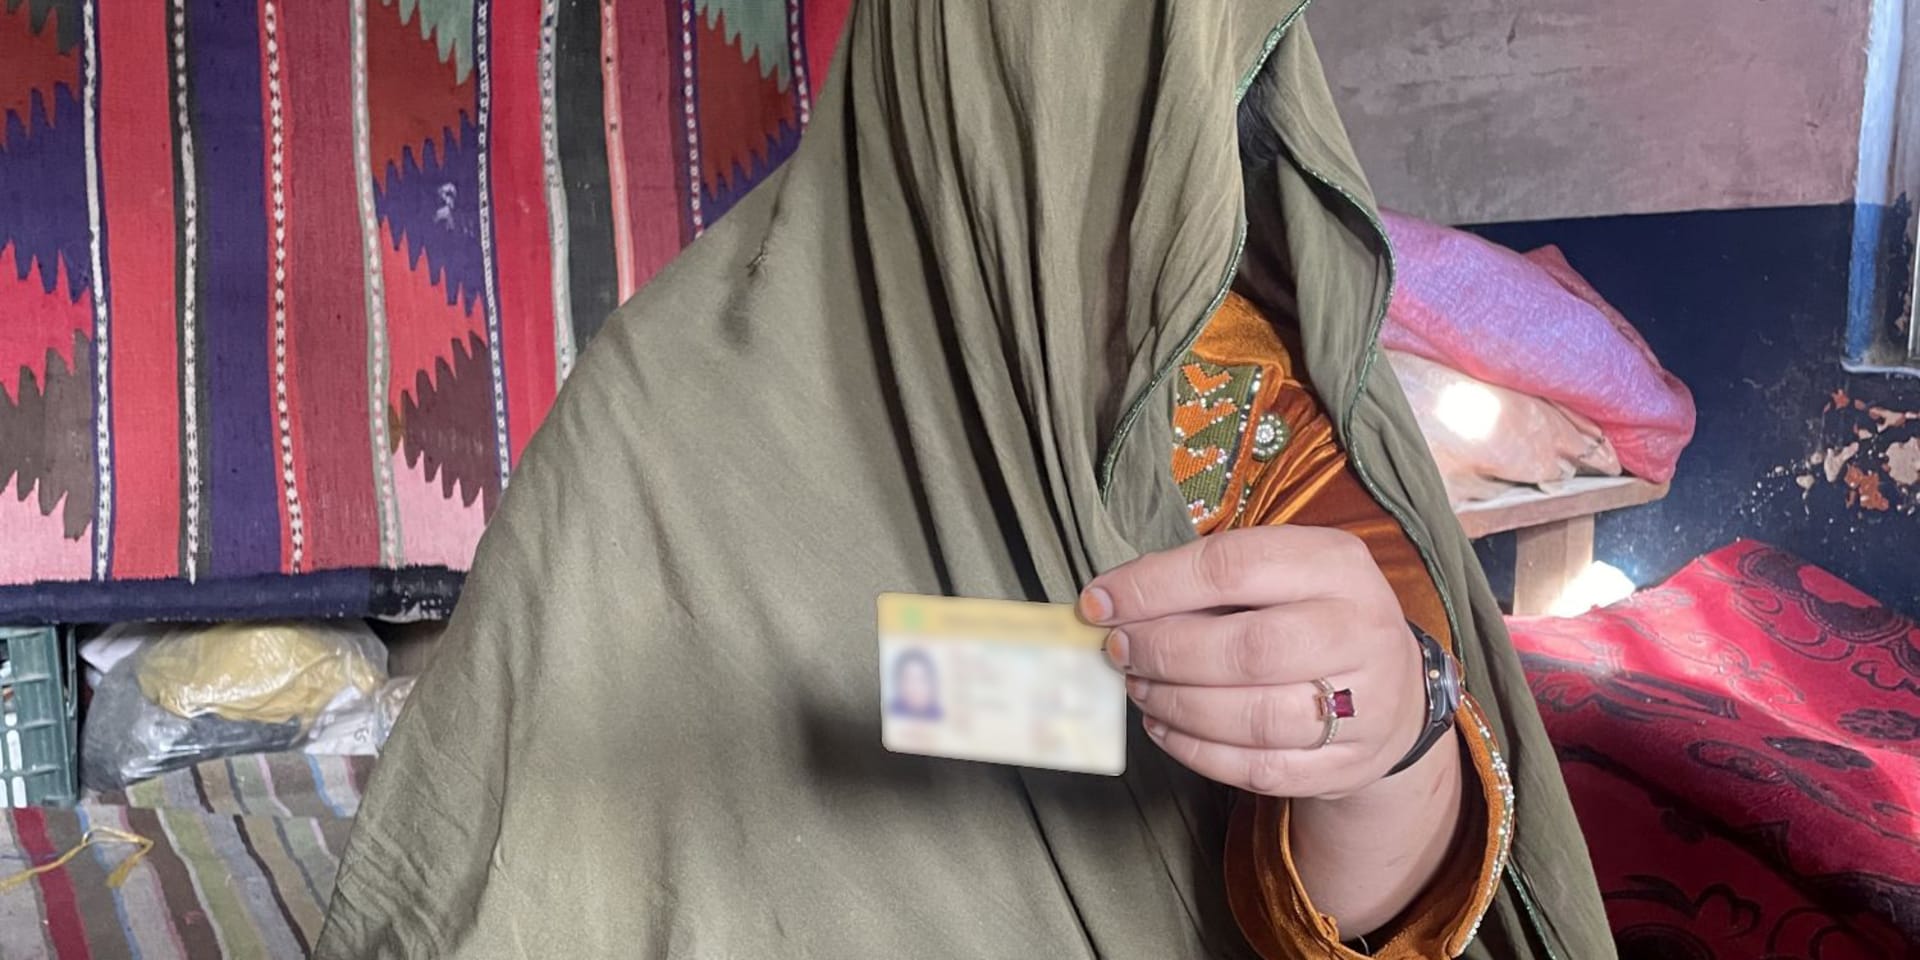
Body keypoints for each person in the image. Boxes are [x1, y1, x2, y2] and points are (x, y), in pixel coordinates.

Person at [317, 2, 1616, 958]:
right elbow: (538, 839)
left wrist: (1387, 746)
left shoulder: (1259, 402)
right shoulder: (665, 405)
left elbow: (1371, 885)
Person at [886, 649, 942, 721]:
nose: (914, 687)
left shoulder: (938, 716)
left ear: (931, 684)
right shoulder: (891, 712)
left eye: (920, 679)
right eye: (908, 680)